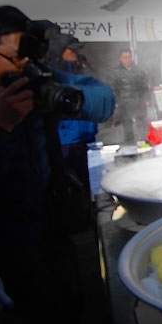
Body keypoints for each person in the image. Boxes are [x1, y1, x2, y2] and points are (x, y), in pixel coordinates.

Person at [0, 5, 115, 324]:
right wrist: (2, 128)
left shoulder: (33, 77)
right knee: (38, 321)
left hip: (49, 225)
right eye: (13, 57)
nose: (21, 67)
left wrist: (64, 95)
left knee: (70, 305)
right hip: (7, 242)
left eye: (27, 57)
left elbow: (104, 99)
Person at [46, 34, 115, 208]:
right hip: (66, 141)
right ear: (60, 51)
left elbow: (101, 94)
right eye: (72, 50)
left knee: (90, 177)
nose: (76, 53)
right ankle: (75, 212)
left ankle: (91, 208)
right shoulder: (52, 77)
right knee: (69, 180)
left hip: (87, 137)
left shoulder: (83, 70)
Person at [106, 48, 151, 145]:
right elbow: (112, 88)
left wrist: (147, 99)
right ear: (120, 58)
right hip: (125, 103)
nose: (128, 59)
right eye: (125, 57)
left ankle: (145, 143)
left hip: (139, 101)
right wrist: (117, 102)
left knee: (142, 124)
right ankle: (130, 145)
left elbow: (145, 86)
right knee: (127, 126)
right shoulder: (115, 72)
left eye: (129, 56)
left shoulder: (139, 70)